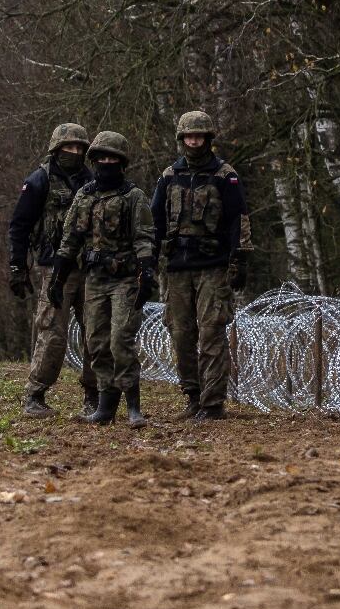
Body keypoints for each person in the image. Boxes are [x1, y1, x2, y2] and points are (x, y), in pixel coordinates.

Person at [49, 131, 155, 427]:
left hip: (124, 279)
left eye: (112, 159)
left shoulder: (133, 197)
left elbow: (144, 238)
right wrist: (57, 277)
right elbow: (70, 239)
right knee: (96, 342)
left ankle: (133, 405)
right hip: (94, 279)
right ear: (94, 161)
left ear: (121, 163)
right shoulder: (84, 196)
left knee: (121, 339)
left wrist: (146, 273)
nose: (106, 163)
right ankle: (106, 406)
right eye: (101, 159)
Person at [151, 110, 245, 422]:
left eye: (199, 136)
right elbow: (155, 223)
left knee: (211, 334)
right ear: (181, 139)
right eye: (189, 136)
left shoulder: (224, 176)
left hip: (213, 267)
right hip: (178, 267)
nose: (194, 141)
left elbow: (238, 220)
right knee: (181, 335)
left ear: (208, 139)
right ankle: (192, 396)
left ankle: (213, 403)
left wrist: (239, 259)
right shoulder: (169, 176)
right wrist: (147, 263)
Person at [8, 123, 97, 418]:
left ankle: (93, 395)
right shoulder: (39, 181)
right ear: (57, 149)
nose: (74, 152)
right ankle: (35, 394)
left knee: (95, 332)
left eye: (79, 148)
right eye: (69, 147)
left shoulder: (92, 181)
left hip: (90, 267)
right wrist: (17, 266)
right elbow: (19, 226)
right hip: (53, 268)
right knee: (52, 332)